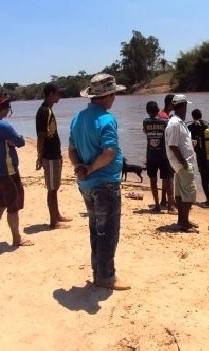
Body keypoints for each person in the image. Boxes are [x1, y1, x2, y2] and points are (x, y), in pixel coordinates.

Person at [68, 73, 130, 291]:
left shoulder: (77, 118)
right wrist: (91, 168)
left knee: (96, 229)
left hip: (86, 185)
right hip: (105, 183)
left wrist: (80, 169)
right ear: (107, 96)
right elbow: (110, 152)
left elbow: (72, 149)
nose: (114, 99)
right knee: (108, 231)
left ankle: (98, 271)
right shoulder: (106, 119)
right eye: (113, 95)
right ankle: (106, 277)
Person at [0, 81, 33, 247]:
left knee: (1, 203)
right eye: (7, 105)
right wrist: (14, 141)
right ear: (1, 106)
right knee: (13, 205)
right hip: (8, 171)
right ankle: (17, 238)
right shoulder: (2, 125)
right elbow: (20, 141)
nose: (8, 108)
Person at [36, 82, 72, 228]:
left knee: (55, 187)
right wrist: (39, 156)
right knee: (52, 188)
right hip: (49, 156)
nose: (60, 96)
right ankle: (53, 221)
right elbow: (41, 136)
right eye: (58, 93)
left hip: (54, 154)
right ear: (51, 94)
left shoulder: (48, 110)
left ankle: (57, 215)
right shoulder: (44, 111)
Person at [165, 94, 198, 232]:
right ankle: (184, 223)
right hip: (182, 164)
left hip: (181, 164)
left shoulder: (179, 122)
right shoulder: (174, 123)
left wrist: (191, 145)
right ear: (183, 106)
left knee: (180, 193)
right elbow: (173, 145)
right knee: (190, 193)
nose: (186, 109)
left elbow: (179, 142)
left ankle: (182, 220)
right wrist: (184, 163)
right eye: (185, 106)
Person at [142, 101, 175, 213]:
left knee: (153, 181)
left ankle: (157, 205)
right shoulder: (165, 122)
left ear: (147, 111)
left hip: (151, 156)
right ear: (158, 111)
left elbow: (145, 132)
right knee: (168, 180)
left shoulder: (145, 122)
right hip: (164, 155)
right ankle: (171, 206)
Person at [188, 109, 209, 207]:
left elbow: (187, 136)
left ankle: (208, 201)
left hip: (201, 156)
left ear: (193, 116)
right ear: (201, 115)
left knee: (204, 177)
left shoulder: (192, 127)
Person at [157, 93, 175, 207]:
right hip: (166, 151)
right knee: (169, 177)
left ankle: (163, 199)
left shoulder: (160, 114)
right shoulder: (165, 117)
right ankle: (171, 203)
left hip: (159, 151)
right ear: (171, 103)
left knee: (164, 177)